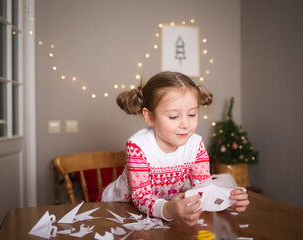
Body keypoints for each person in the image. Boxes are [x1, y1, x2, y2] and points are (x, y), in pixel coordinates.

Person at [99, 71, 249, 227]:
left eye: (192, 114)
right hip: (117, 210)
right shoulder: (138, 146)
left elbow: (203, 189)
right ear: (150, 117)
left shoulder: (195, 144)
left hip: (158, 213)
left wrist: (227, 200)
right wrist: (168, 209)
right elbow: (141, 196)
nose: (185, 124)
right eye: (173, 116)